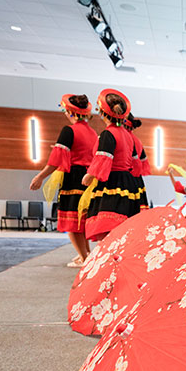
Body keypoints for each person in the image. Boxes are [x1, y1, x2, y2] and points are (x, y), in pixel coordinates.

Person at [29, 94, 96, 267]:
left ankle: (84, 257)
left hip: (73, 177)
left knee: (71, 222)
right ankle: (86, 253)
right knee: (80, 220)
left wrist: (40, 177)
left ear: (70, 112)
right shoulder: (92, 132)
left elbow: (56, 160)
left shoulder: (69, 130)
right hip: (88, 179)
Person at [79, 89, 148, 241]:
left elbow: (104, 157)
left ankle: (109, 260)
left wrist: (90, 175)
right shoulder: (128, 136)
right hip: (128, 183)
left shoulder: (108, 134)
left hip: (112, 182)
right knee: (123, 228)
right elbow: (136, 163)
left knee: (107, 227)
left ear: (102, 112)